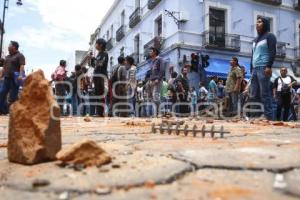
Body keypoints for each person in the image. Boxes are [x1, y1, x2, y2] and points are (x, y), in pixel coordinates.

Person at [250, 16, 277, 120]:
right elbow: (252, 55)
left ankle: (268, 117)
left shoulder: (270, 36)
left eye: (260, 22)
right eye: (257, 22)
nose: (257, 24)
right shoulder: (255, 39)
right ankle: (254, 116)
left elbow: (272, 51)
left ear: (265, 24)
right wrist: (251, 68)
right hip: (255, 69)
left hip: (263, 67)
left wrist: (269, 66)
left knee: (264, 93)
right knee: (253, 94)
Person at [0, 41, 25, 114]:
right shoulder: (7, 56)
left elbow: (22, 65)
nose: (8, 46)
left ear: (14, 47)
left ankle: (14, 112)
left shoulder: (20, 55)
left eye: (9, 45)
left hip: (14, 79)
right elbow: (4, 67)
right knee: (1, 93)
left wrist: (20, 75)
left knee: (13, 96)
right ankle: (3, 110)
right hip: (6, 79)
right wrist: (1, 76)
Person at [93, 38, 108, 117]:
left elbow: (101, 64)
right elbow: (94, 65)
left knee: (102, 94)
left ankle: (102, 112)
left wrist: (95, 61)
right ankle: (99, 112)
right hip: (96, 76)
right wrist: (92, 59)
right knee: (97, 94)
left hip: (102, 76)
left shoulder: (104, 54)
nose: (95, 45)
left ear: (101, 45)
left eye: (96, 43)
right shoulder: (98, 54)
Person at [149, 47, 164, 115]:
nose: (149, 52)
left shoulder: (159, 59)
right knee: (154, 97)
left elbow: (162, 70)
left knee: (156, 96)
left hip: (157, 80)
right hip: (152, 81)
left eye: (151, 51)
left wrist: (158, 78)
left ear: (155, 52)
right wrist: (150, 80)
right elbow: (151, 72)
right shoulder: (152, 61)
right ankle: (156, 113)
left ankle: (160, 112)